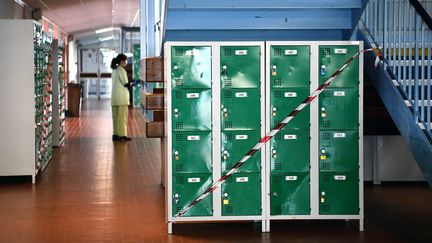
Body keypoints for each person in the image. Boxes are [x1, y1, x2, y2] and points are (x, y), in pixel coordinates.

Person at [110, 54, 132, 141]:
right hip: (122, 98)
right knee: (122, 118)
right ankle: (123, 135)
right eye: (125, 61)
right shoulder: (121, 70)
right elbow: (126, 84)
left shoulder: (114, 70)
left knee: (115, 118)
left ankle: (115, 135)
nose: (126, 62)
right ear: (122, 61)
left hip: (115, 98)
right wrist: (134, 83)